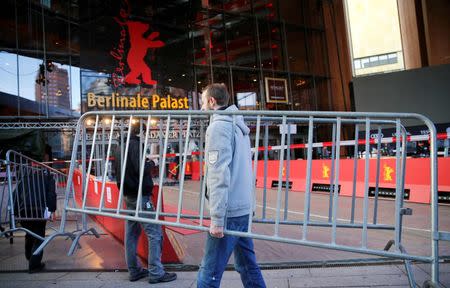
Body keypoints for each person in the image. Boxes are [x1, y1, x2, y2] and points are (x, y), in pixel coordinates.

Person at [197, 83, 266, 288]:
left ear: (211, 101)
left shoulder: (218, 127)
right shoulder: (238, 125)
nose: (202, 108)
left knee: (208, 273)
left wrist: (217, 218)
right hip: (242, 208)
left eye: (203, 102)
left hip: (229, 211)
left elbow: (218, 173)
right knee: (247, 266)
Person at [117, 126, 177, 283]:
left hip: (128, 195)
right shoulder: (135, 144)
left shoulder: (120, 144)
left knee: (131, 235)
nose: (147, 136)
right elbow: (140, 168)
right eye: (146, 133)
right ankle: (156, 272)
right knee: (155, 233)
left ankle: (134, 270)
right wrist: (152, 163)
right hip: (140, 196)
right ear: (141, 132)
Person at [19, 144, 57, 273]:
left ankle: (30, 257)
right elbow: (51, 194)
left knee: (29, 234)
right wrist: (51, 209)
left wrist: (14, 210)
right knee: (39, 236)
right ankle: (34, 264)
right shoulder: (48, 176)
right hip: (39, 209)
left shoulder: (24, 176)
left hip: (23, 210)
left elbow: (16, 193)